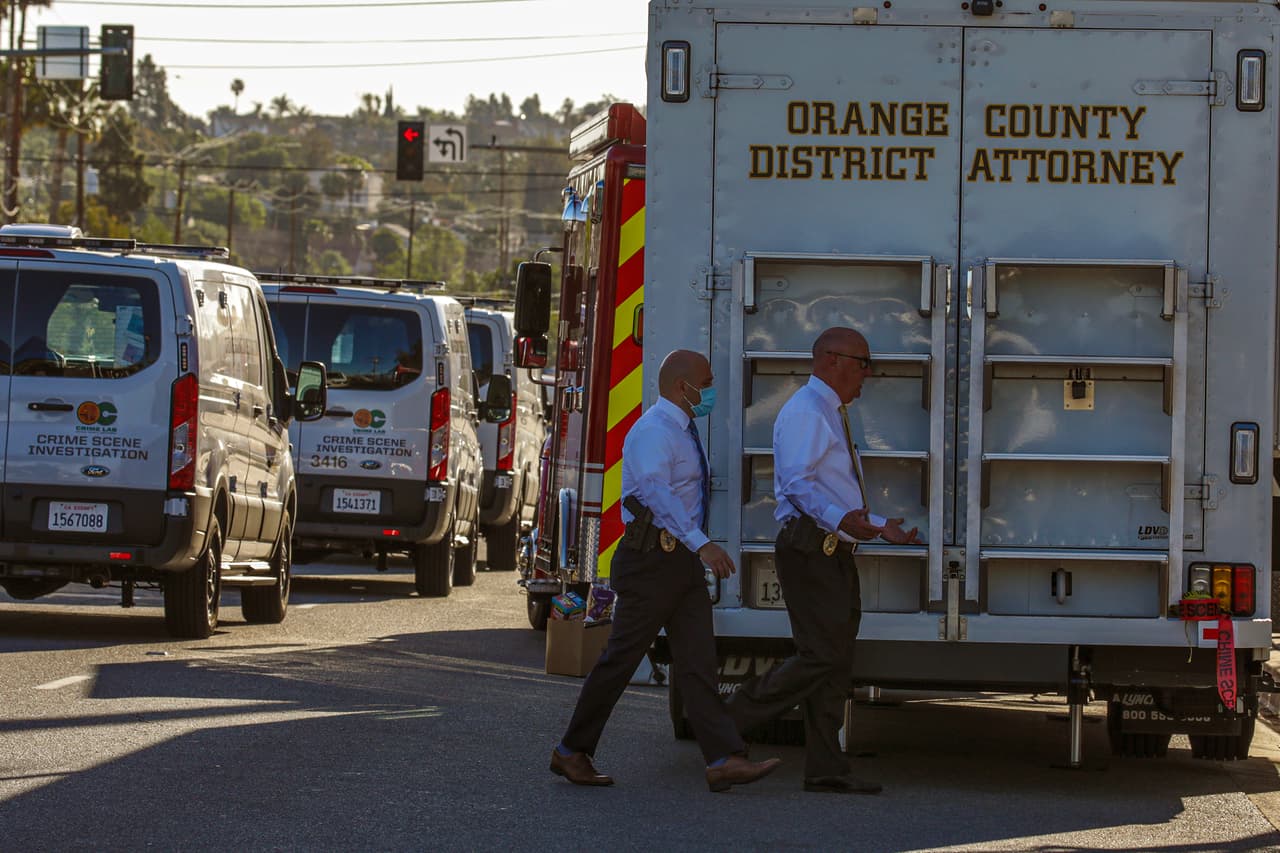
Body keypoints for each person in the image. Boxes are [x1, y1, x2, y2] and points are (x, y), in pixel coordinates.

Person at [550, 349, 781, 793]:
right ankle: (570, 751)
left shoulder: (682, 430)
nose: (711, 390)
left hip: (678, 563)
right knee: (620, 659)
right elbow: (657, 495)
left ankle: (721, 759)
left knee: (698, 663)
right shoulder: (653, 432)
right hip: (652, 562)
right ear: (683, 386)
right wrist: (703, 543)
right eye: (707, 382)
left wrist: (693, 549)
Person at [726, 327, 922, 795]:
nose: (867, 374)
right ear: (832, 360)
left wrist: (876, 525)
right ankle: (729, 719)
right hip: (811, 548)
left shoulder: (828, 412)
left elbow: (830, 489)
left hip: (829, 548)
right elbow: (796, 484)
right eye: (862, 363)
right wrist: (844, 520)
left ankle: (826, 765)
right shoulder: (807, 412)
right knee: (822, 656)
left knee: (834, 662)